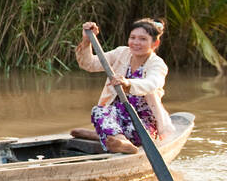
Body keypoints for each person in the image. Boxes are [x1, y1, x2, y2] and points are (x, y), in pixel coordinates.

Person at [73, 18, 173, 154]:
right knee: (99, 111)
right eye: (133, 38)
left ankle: (104, 136)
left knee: (125, 129)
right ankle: (121, 142)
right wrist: (86, 41)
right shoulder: (121, 53)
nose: (136, 43)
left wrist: (128, 83)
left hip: (141, 125)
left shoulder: (157, 64)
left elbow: (151, 84)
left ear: (155, 43)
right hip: (117, 119)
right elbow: (89, 64)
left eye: (143, 39)